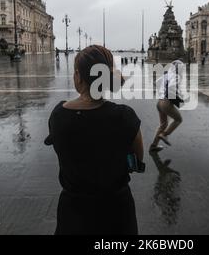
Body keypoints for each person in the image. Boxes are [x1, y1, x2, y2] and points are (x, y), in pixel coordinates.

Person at [46, 45, 144, 235]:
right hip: (116, 211)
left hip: (74, 213)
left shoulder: (59, 115)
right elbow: (137, 162)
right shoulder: (124, 116)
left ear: (77, 76)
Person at [150, 60, 184, 152]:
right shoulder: (176, 76)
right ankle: (164, 135)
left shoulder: (166, 75)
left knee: (163, 125)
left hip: (159, 102)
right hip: (166, 103)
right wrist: (179, 97)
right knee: (178, 119)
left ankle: (153, 145)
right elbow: (172, 87)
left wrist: (162, 91)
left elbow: (155, 82)